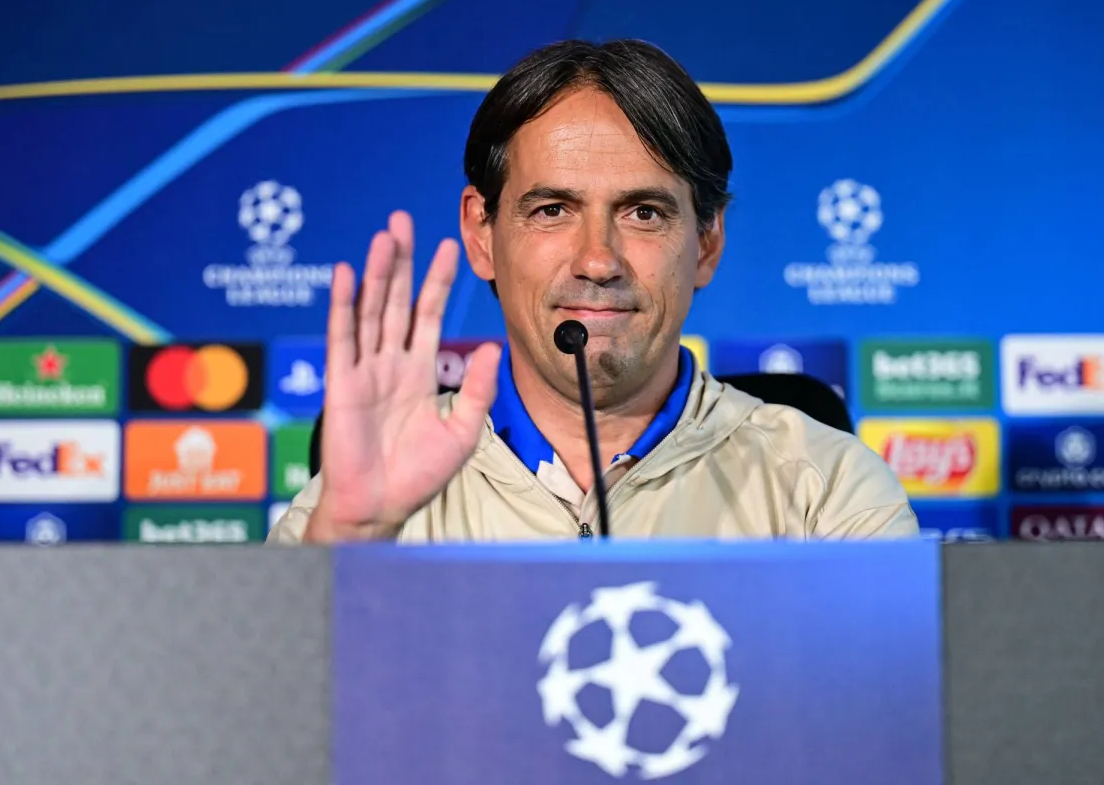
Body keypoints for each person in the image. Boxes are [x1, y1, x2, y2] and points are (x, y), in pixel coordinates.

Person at [268, 39, 918, 544]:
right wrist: (350, 540)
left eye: (644, 213)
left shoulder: (825, 490)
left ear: (707, 242)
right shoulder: (365, 491)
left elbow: (896, 682)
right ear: (482, 234)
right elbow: (260, 679)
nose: (598, 260)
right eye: (552, 210)